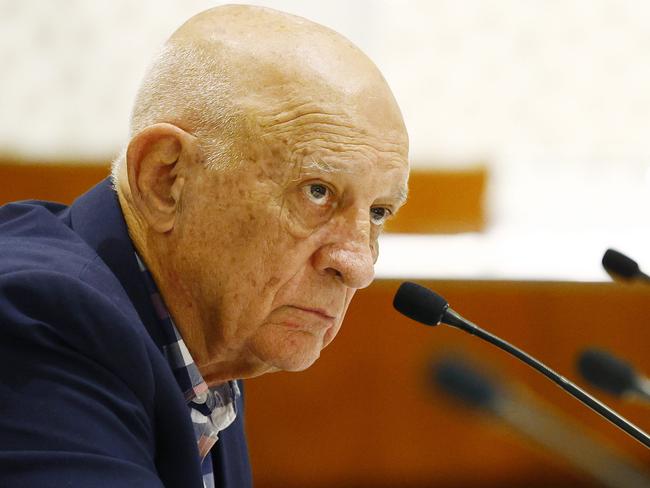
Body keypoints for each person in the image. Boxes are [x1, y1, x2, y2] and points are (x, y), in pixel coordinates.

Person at [0, 4, 409, 488]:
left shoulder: (207, 346)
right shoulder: (38, 323)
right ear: (165, 179)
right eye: (317, 191)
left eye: (378, 212)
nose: (359, 265)